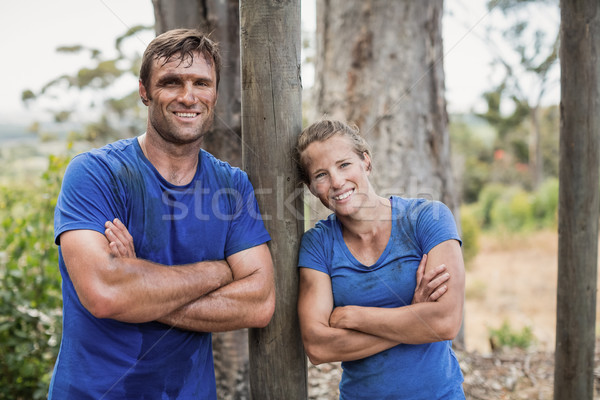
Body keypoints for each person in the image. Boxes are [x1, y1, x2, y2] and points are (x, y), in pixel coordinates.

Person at [48, 29, 275, 399]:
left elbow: (259, 304)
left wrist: (139, 286)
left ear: (215, 93)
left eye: (202, 83)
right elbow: (106, 294)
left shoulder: (232, 186)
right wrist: (217, 271)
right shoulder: (94, 173)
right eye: (171, 82)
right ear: (144, 91)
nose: (189, 96)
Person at [296, 119, 465, 399]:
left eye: (344, 165)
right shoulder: (318, 244)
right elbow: (318, 347)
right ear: (312, 187)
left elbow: (446, 321)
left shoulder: (427, 218)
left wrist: (353, 316)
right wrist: (415, 316)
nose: (337, 182)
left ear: (366, 162)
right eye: (321, 175)